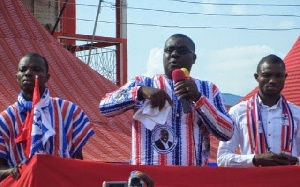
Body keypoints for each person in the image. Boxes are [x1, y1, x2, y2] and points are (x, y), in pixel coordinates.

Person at [100, 34, 233, 166]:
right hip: (148, 177)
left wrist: (199, 99)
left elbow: (227, 132)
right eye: (169, 50)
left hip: (191, 177)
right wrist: (139, 92)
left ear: (194, 58)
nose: (174, 54)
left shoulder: (208, 89)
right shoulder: (142, 83)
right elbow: (104, 107)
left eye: (182, 50)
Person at [0, 52, 94, 180]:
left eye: (36, 69)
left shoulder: (69, 111)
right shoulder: (5, 119)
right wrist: (12, 171)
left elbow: (78, 161)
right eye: (23, 69)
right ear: (17, 76)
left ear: (47, 77)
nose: (28, 73)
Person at [217, 54, 300, 167]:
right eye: (267, 75)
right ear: (257, 77)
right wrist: (255, 160)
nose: (272, 80)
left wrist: (295, 160)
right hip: (252, 182)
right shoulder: (237, 112)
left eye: (278, 76)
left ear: (285, 77)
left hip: (289, 181)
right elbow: (222, 158)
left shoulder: (296, 113)